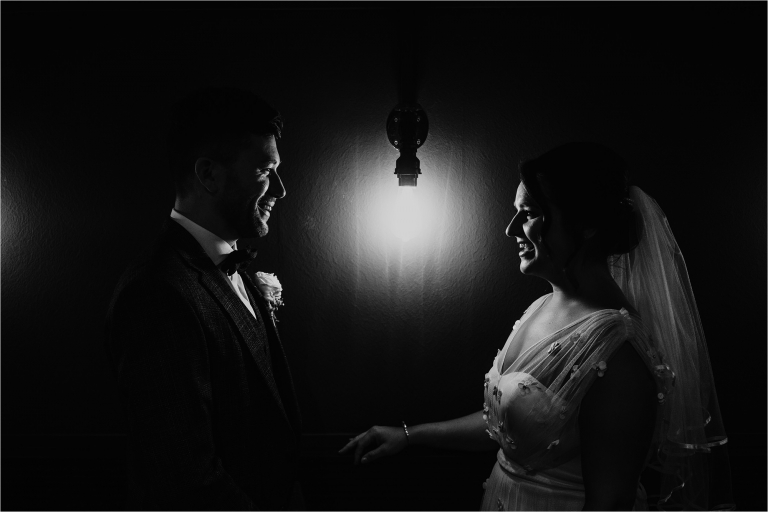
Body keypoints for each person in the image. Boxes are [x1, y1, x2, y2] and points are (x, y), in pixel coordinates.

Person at [340, 142, 732, 510]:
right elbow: (512, 424)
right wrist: (409, 435)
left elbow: (609, 505)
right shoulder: (543, 306)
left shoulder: (621, 354)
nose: (511, 229)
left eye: (528, 214)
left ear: (587, 225)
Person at [105, 87, 302, 510]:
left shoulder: (235, 271)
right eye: (265, 171)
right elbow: (184, 478)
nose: (281, 190)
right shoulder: (155, 293)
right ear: (209, 175)